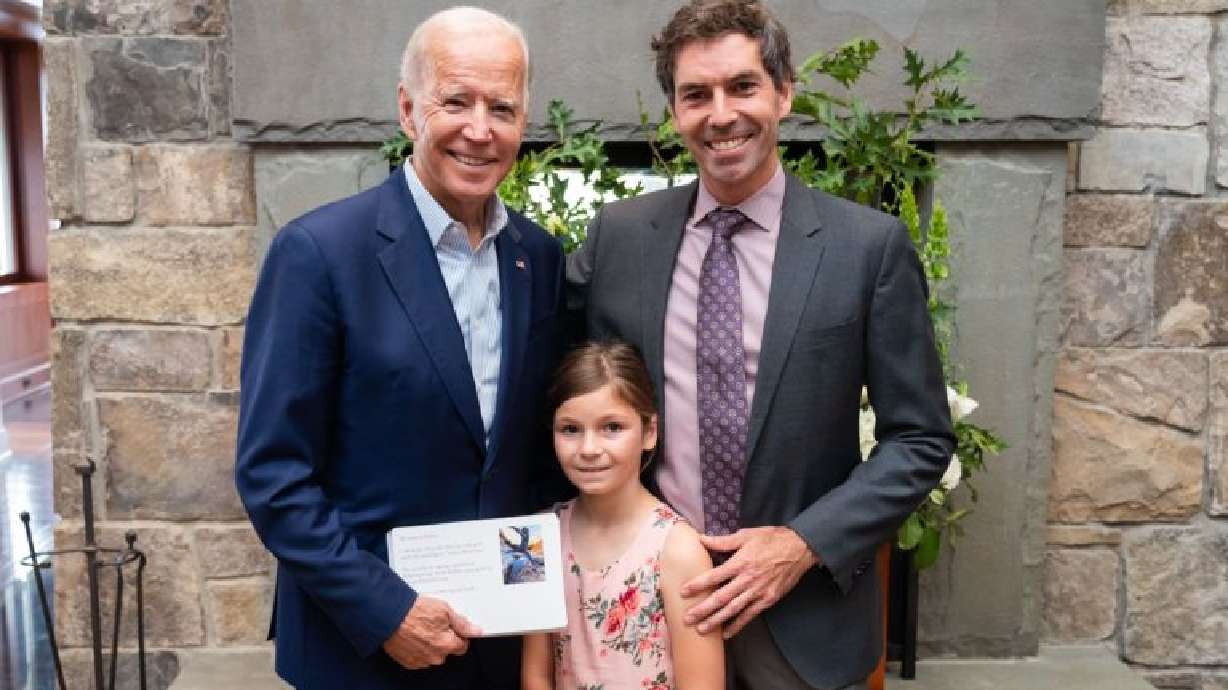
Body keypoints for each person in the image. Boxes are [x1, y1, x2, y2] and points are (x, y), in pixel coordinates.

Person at [566, 1, 956, 688]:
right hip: (648, 613)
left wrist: (803, 545)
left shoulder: (866, 248)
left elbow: (919, 440)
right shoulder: (618, 240)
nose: (721, 114)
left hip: (803, 624)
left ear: (783, 92)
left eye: (742, 86)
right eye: (696, 94)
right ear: (675, 110)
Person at [234, 7, 564, 690]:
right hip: (362, 650)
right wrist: (387, 612)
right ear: (409, 110)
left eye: (501, 107)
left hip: (497, 647)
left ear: (523, 123)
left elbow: (525, 458)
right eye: (456, 101)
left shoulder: (539, 257)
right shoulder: (318, 255)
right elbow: (274, 473)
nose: (480, 129)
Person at [521, 342, 724, 690]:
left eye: (612, 427)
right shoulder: (539, 538)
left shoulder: (677, 550)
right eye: (570, 429)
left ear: (649, 432)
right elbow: (537, 675)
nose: (588, 449)